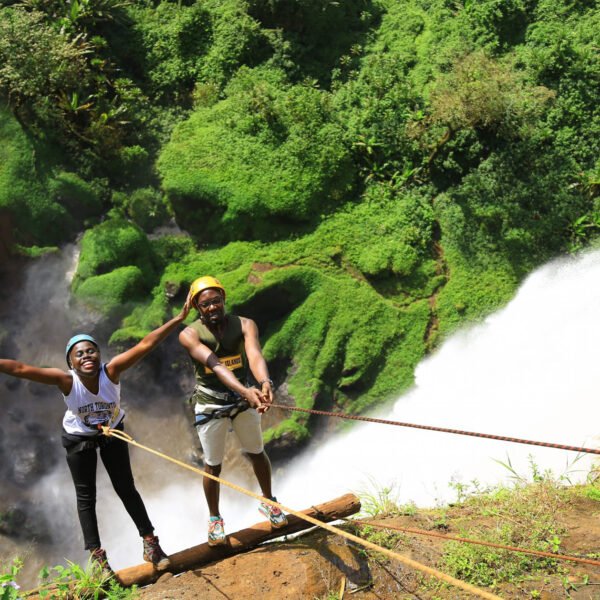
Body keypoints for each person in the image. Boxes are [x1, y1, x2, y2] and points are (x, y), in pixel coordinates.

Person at [0, 293, 193, 575]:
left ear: (99, 356)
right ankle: (98, 558)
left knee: (125, 488)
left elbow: (146, 344)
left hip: (112, 430)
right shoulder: (66, 381)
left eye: (91, 351)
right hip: (79, 437)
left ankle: (151, 543)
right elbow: (19, 368)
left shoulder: (111, 371)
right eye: (79, 354)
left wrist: (177, 319)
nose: (86, 356)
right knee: (86, 496)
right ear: (71, 363)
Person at [179, 276, 287, 546]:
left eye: (216, 301)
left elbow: (254, 354)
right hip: (211, 403)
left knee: (257, 452)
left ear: (224, 299)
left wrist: (264, 382)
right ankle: (215, 518)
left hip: (243, 399)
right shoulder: (189, 335)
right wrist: (246, 391)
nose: (212, 307)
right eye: (205, 304)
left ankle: (269, 501)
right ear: (197, 308)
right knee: (212, 465)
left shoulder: (245, 325)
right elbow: (216, 365)